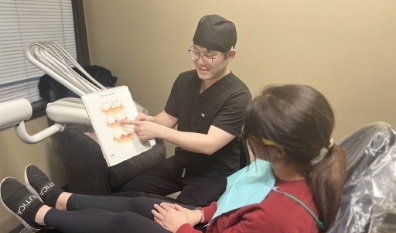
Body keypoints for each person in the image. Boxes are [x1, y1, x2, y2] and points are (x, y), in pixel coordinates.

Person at [1, 84, 347, 233]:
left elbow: (252, 211)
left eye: (251, 138)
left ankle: (41, 215)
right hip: (210, 222)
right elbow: (239, 202)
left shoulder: (282, 217)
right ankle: (58, 199)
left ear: (281, 150)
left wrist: (181, 226)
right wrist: (196, 213)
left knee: (127, 224)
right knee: (139, 203)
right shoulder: (292, 167)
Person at [117, 14, 252, 206]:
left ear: (230, 56)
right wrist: (150, 120)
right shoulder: (185, 80)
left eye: (209, 55)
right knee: (128, 193)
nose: (200, 61)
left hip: (213, 174)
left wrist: (160, 131)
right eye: (196, 52)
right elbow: (170, 117)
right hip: (182, 163)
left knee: (175, 217)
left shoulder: (238, 95)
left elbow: (209, 144)